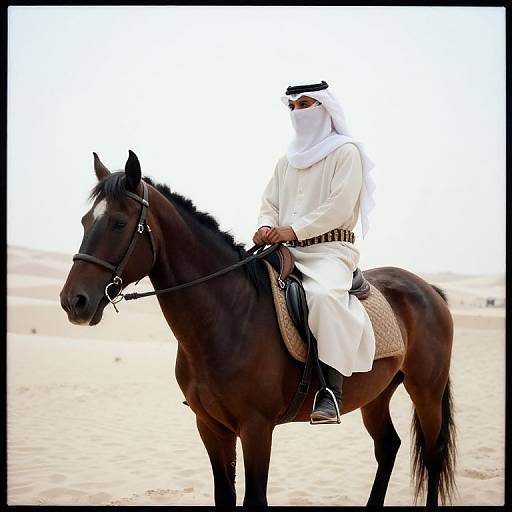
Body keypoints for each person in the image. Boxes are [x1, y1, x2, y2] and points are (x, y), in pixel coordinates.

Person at [253, 80, 377, 424]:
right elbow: (270, 203)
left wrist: (293, 230)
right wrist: (266, 226)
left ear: (323, 108)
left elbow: (338, 207)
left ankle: (330, 393)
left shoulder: (345, 152)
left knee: (322, 297)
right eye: (292, 107)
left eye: (305, 105)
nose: (297, 113)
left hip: (329, 252)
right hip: (285, 250)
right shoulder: (286, 161)